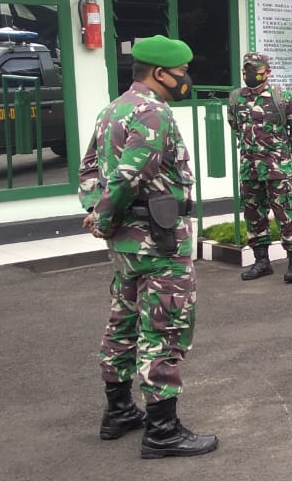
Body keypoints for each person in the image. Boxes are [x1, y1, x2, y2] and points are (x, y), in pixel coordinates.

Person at [78, 35, 218, 458]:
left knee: (122, 321)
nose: (184, 79)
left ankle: (119, 411)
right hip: (159, 241)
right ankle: (163, 431)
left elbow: (88, 171)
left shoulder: (112, 110)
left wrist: (96, 212)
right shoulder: (153, 114)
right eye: (180, 73)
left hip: (126, 244)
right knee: (164, 328)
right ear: (160, 73)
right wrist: (103, 216)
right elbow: (127, 175)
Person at [227, 52, 292, 283]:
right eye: (247, 70)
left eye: (256, 70)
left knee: (285, 215)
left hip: (277, 170)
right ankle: (261, 262)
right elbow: (236, 127)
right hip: (249, 169)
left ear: (267, 72)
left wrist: (280, 153)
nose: (250, 74)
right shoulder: (235, 99)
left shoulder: (283, 98)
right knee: (253, 215)